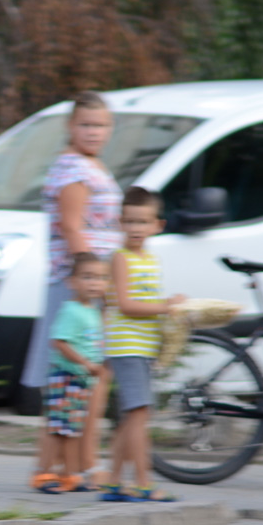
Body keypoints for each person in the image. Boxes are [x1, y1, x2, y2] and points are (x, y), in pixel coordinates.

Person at [23, 91, 122, 485]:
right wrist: (93, 284)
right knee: (78, 378)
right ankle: (75, 466)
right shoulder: (73, 169)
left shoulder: (89, 165)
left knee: (81, 380)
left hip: (86, 286)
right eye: (86, 124)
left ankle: (67, 466)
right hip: (76, 288)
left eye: (101, 125)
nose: (94, 132)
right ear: (70, 126)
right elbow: (71, 227)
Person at [102, 188, 185, 502]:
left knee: (133, 416)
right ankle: (143, 483)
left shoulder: (150, 260)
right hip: (127, 346)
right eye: (130, 221)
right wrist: (165, 307)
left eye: (143, 222)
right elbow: (125, 305)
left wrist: (169, 306)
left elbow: (147, 300)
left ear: (157, 225)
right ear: (119, 223)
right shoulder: (121, 259)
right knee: (139, 414)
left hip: (143, 346)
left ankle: (112, 482)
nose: (136, 228)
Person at [30, 252, 110, 494]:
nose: (94, 283)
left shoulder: (93, 311)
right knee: (59, 429)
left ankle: (69, 476)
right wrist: (86, 363)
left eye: (100, 278)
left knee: (72, 429)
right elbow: (59, 342)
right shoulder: (71, 310)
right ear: (72, 282)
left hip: (80, 379)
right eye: (87, 277)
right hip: (65, 377)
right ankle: (43, 474)